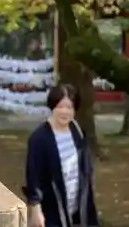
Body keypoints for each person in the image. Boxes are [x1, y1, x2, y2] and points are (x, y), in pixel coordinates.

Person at [22, 83, 99, 227]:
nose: (64, 112)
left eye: (69, 107)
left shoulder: (77, 131)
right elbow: (34, 177)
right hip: (53, 209)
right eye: (60, 107)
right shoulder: (39, 138)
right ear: (52, 107)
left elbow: (85, 169)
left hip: (78, 208)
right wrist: (35, 209)